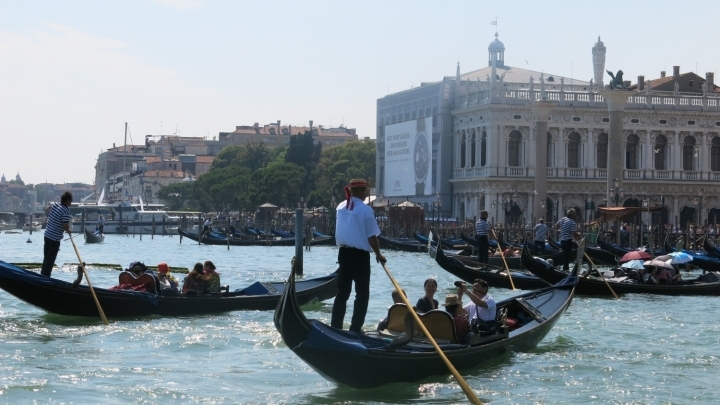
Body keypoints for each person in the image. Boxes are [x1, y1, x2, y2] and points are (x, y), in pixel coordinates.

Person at [331, 178, 387, 333]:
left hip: (343, 253)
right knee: (362, 294)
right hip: (359, 256)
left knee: (342, 293)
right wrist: (378, 254)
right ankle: (355, 329)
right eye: (366, 190)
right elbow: (372, 237)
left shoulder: (340, 206)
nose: (367, 193)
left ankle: (335, 327)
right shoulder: (365, 210)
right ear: (361, 191)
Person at [41, 191, 73, 277]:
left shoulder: (55, 204)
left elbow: (48, 207)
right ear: (67, 201)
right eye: (70, 201)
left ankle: (42, 275)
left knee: (46, 258)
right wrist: (69, 230)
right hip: (54, 239)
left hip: (47, 235)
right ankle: (46, 277)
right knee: (50, 260)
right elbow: (65, 226)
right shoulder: (66, 211)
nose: (71, 203)